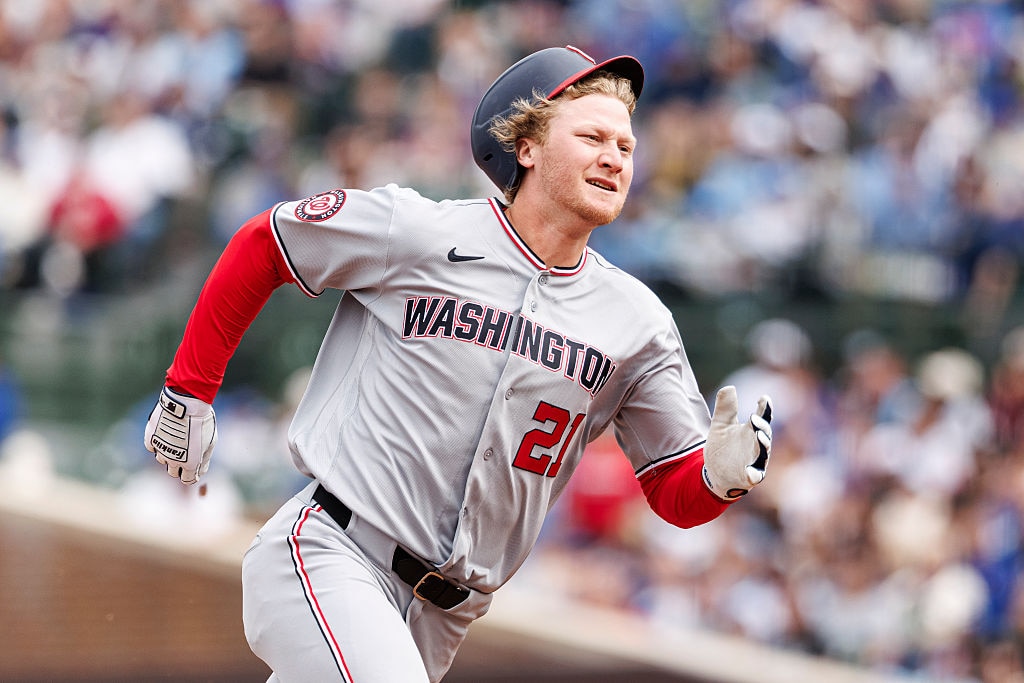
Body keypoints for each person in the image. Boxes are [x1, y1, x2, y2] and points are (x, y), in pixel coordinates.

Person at [143, 45, 773, 683]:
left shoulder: (638, 323)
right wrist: (188, 392)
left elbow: (673, 491)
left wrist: (719, 480)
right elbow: (266, 244)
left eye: (627, 146)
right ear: (526, 147)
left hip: (445, 615)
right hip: (333, 551)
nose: (615, 156)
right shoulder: (418, 232)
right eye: (591, 136)